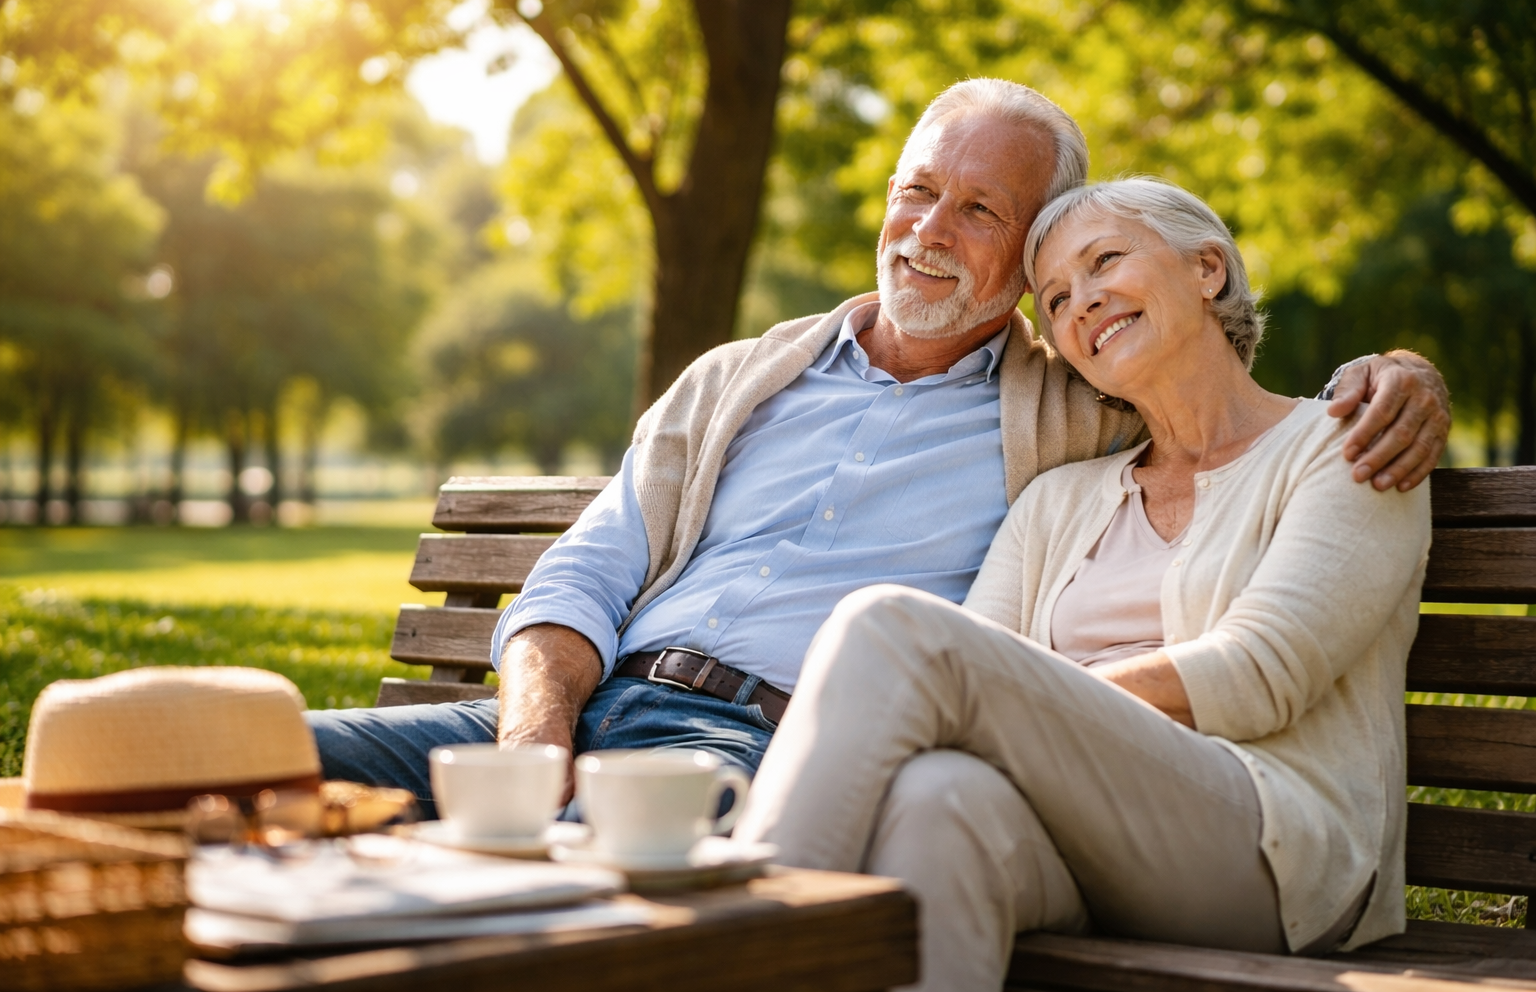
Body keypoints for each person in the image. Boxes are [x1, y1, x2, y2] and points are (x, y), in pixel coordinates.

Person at [308, 80, 1449, 816]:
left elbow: (1217, 395)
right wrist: (534, 733)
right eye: (918, 192)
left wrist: (1404, 375)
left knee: (592, 881)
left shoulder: (1073, 405)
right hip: (571, 715)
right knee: (225, 751)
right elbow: (585, 572)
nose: (928, 233)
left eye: (981, 214)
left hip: (762, 753)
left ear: (1032, 272)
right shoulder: (735, 379)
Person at [732, 177, 1432, 991]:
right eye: (1058, 299)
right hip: (1092, 843)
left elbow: (1261, 676)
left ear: (1207, 269)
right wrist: (1030, 704)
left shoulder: (1350, 444)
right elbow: (990, 691)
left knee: (890, 627)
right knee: (939, 796)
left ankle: (733, 957)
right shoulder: (1055, 501)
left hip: (1277, 848)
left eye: (1106, 262)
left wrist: (1041, 700)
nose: (1084, 303)